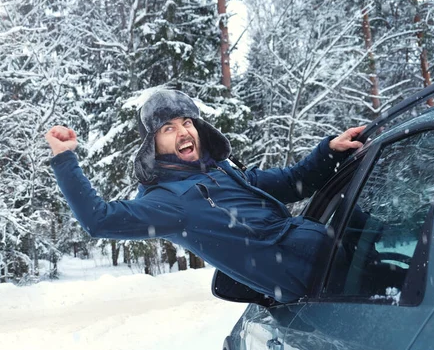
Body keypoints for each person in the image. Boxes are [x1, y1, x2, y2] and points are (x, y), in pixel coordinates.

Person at [45, 89, 364, 303]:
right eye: (168, 128)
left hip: (345, 259)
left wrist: (330, 152)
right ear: (152, 147)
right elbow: (98, 219)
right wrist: (64, 159)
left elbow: (295, 181)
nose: (183, 131)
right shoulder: (169, 203)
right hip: (330, 292)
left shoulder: (224, 172)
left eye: (187, 122)